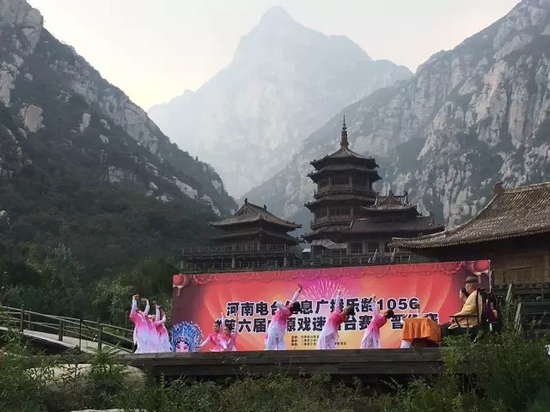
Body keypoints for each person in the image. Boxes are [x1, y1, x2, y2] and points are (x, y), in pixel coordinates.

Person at [265, 283, 303, 350]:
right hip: (280, 328)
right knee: (280, 345)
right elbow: (294, 298)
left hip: (276, 328)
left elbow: (278, 305)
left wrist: (281, 304)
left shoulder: (287, 311)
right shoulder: (289, 309)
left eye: (293, 303)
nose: (292, 302)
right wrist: (299, 290)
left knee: (270, 346)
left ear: (292, 305)